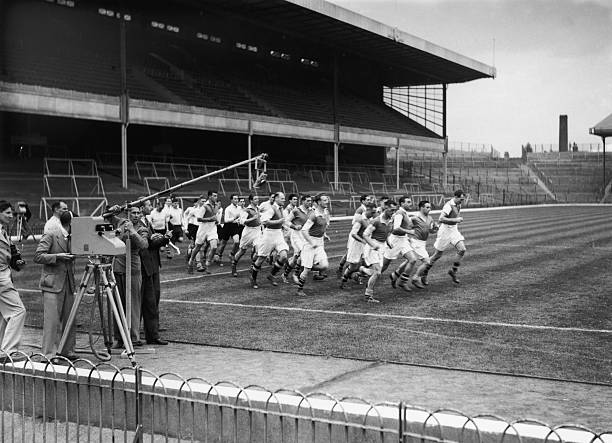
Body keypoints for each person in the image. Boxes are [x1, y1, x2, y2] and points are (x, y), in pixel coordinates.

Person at [33, 210, 77, 360]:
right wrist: (57, 257)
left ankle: (67, 350)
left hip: (68, 283)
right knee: (52, 321)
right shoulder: (51, 234)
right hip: (52, 284)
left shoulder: (73, 238)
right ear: (72, 223)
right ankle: (49, 354)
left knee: (69, 318)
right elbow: (38, 256)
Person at [109, 206, 149, 348]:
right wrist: (113, 209)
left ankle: (133, 338)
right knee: (117, 304)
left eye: (138, 213)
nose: (136, 215)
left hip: (133, 271)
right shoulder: (121, 222)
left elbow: (144, 245)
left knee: (133, 305)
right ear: (128, 213)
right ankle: (119, 338)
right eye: (133, 213)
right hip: (118, 269)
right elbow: (106, 216)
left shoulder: (142, 229)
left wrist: (132, 231)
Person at [416, 190, 467, 285]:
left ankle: (453, 271)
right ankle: (424, 273)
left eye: (463, 199)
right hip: (445, 232)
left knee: (462, 249)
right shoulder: (448, 206)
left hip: (454, 230)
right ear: (455, 197)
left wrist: (455, 221)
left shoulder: (458, 204)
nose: (462, 201)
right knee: (437, 255)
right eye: (461, 199)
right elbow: (441, 218)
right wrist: (456, 219)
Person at [138, 198, 170, 345]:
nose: (151, 206)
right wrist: (162, 239)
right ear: (141, 208)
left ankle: (152, 332)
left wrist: (162, 238)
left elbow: (150, 242)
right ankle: (147, 334)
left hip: (152, 265)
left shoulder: (146, 221)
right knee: (148, 301)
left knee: (153, 300)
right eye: (148, 204)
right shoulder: (138, 223)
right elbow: (147, 245)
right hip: (145, 266)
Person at [0, 201, 26, 363]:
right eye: (8, 213)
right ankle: (8, 351)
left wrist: (15, 262)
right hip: (1, 277)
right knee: (18, 311)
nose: (11, 216)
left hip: (4, 273)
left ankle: (3, 350)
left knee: (3, 316)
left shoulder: (3, 231)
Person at [360, 200, 397, 303]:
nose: (393, 212)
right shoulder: (376, 221)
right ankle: (368, 296)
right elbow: (365, 235)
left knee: (377, 272)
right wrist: (373, 245)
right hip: (372, 247)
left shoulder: (390, 220)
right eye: (391, 210)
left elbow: (386, 234)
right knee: (377, 272)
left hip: (381, 247)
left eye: (394, 210)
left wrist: (389, 243)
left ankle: (362, 269)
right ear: (385, 208)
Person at [250, 192, 288, 289]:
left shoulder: (281, 208)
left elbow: (282, 221)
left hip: (278, 234)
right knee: (261, 259)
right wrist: (278, 222)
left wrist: (286, 226)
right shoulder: (272, 209)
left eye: (284, 198)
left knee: (283, 256)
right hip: (269, 235)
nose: (284, 200)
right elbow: (264, 221)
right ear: (276, 199)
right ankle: (253, 278)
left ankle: (271, 275)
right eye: (282, 198)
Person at [296, 194, 330, 296]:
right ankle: (299, 290)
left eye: (327, 200)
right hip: (310, 244)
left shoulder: (326, 213)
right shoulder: (313, 215)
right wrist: (312, 242)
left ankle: (304, 266)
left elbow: (322, 227)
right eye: (324, 200)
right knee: (306, 270)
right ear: (319, 202)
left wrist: (324, 235)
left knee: (324, 265)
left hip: (319, 243)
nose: (327, 202)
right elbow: (304, 230)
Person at [336, 194, 375, 278]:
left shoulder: (370, 210)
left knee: (361, 255)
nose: (369, 201)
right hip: (356, 234)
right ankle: (342, 267)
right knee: (350, 253)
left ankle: (354, 271)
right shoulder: (360, 209)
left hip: (362, 235)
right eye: (367, 200)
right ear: (362, 201)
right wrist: (364, 223)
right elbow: (354, 222)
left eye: (369, 200)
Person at [384, 196, 418, 292]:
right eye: (408, 202)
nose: (410, 203)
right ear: (402, 203)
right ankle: (365, 273)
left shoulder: (404, 213)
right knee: (384, 265)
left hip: (403, 240)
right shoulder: (399, 213)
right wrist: (410, 231)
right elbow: (396, 228)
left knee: (413, 260)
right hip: (394, 241)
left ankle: (402, 281)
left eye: (410, 202)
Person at [404, 200, 438, 289]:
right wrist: (406, 236)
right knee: (427, 261)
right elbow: (406, 227)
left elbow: (430, 231)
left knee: (410, 261)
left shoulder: (430, 218)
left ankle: (396, 277)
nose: (429, 209)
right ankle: (415, 278)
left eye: (430, 207)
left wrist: (435, 229)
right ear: (421, 208)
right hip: (416, 242)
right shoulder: (415, 217)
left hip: (422, 243)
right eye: (427, 207)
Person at [282, 194, 312, 284]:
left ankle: (285, 274)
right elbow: (286, 221)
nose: (310, 202)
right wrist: (294, 226)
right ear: (303, 201)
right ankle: (295, 274)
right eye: (308, 201)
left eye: (310, 201)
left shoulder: (311, 211)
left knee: (296, 257)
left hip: (305, 235)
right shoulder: (296, 210)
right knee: (301, 252)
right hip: (296, 235)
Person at [187, 191, 219, 274]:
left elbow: (215, 217)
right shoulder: (204, 207)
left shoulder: (216, 205)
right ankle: (190, 262)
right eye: (214, 196)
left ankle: (207, 265)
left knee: (214, 247)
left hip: (212, 229)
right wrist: (210, 219)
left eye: (216, 196)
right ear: (210, 196)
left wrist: (216, 221)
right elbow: (198, 219)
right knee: (197, 248)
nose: (216, 197)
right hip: (203, 229)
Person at [231, 195, 261, 277]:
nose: (257, 200)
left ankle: (252, 266)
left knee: (259, 251)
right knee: (242, 251)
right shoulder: (246, 210)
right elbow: (242, 221)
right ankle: (234, 265)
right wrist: (253, 218)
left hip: (257, 231)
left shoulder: (258, 208)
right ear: (251, 201)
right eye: (255, 199)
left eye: (258, 198)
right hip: (248, 232)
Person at [216, 194, 242, 265]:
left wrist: (239, 220)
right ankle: (219, 255)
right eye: (235, 199)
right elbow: (226, 220)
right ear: (231, 200)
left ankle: (232, 254)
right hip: (227, 226)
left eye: (237, 199)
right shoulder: (228, 208)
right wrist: (234, 218)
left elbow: (240, 216)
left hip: (235, 226)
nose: (236, 200)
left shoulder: (239, 208)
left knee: (237, 242)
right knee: (223, 243)